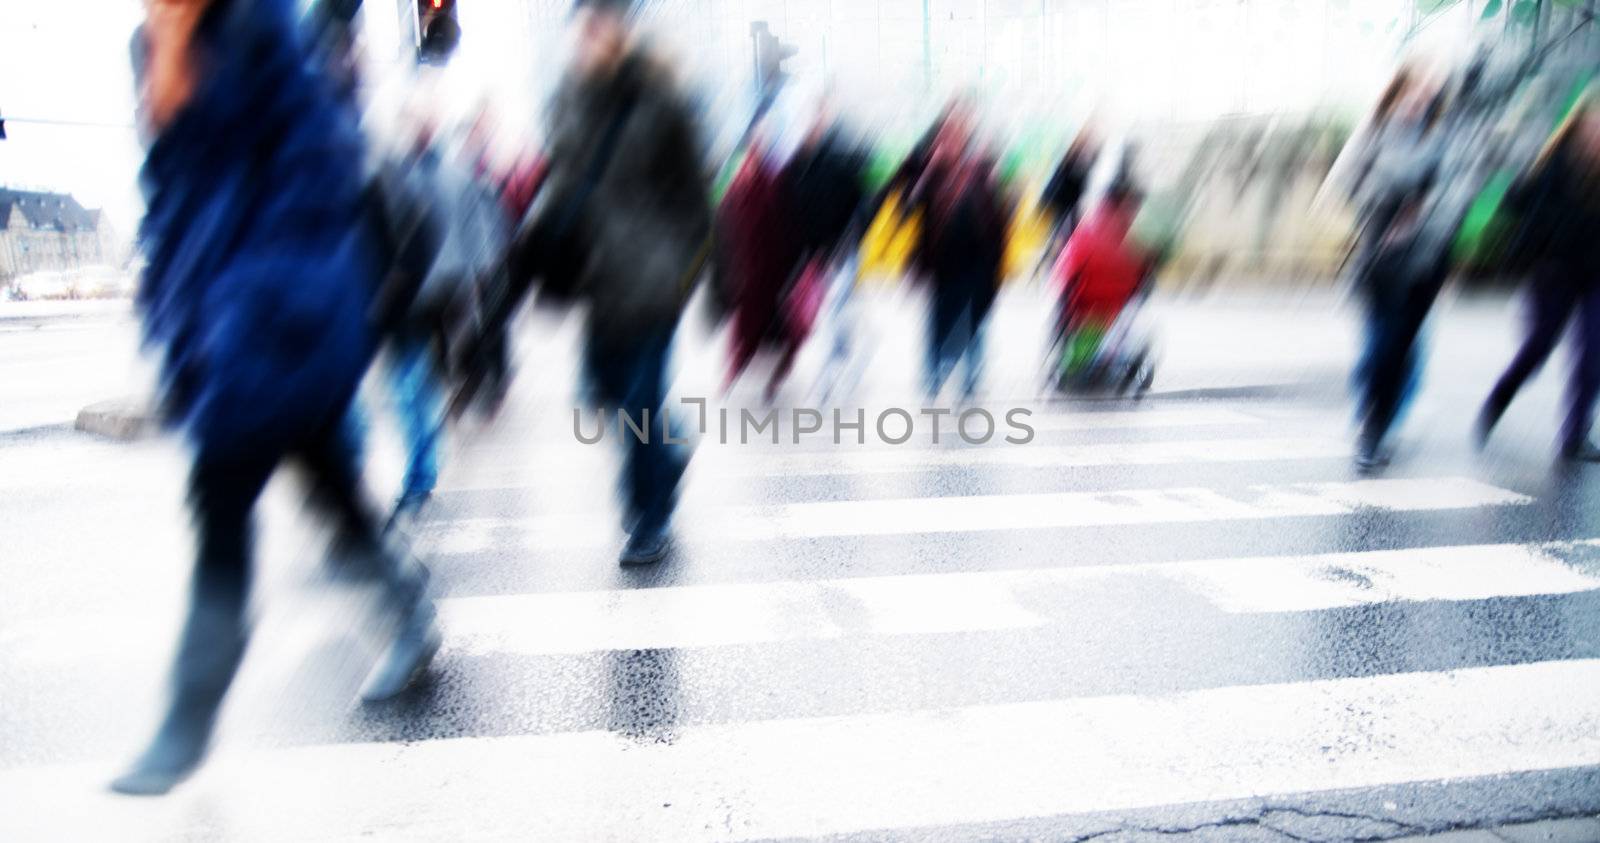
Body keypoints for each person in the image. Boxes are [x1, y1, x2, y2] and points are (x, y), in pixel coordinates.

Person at [113, 0, 438, 796]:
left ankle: (186, 720)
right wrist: (171, 310)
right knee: (333, 490)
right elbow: (167, 194)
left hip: (279, 314)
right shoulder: (152, 43)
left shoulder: (262, 27)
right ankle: (409, 614)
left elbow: (319, 166)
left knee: (221, 497)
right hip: (222, 323)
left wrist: (253, 303)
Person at [505, 0, 712, 565]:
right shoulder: (567, 100)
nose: (590, 36)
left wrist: (685, 271)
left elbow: (697, 196)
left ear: (623, 31)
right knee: (601, 392)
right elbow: (561, 186)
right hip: (598, 281)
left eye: (602, 24)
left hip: (651, 279)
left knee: (641, 402)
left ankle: (647, 519)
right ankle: (667, 453)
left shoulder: (661, 100)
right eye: (584, 26)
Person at [1477, 91, 1600, 460]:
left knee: (1593, 354)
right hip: (1555, 271)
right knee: (1538, 347)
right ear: (1577, 129)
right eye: (1592, 127)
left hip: (1596, 276)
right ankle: (1502, 393)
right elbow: (1514, 204)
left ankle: (1574, 436)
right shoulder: (1549, 166)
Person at [1338, 68, 1450, 471]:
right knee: (1378, 346)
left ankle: (1382, 423)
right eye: (1412, 89)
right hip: (1378, 257)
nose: (1419, 98)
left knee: (1402, 347)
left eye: (1428, 91)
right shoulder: (1372, 134)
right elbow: (1346, 183)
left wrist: (1420, 215)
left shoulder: (1441, 140)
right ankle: (1371, 426)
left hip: (1425, 259)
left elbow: (1452, 193)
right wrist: (1392, 196)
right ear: (1396, 92)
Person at [908, 101, 1011, 401]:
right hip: (942, 261)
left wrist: (996, 260)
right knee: (938, 320)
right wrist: (928, 170)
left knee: (974, 319)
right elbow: (909, 204)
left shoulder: (980, 168)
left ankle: (970, 379)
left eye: (958, 131)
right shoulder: (931, 170)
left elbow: (997, 213)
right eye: (947, 132)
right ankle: (934, 376)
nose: (952, 138)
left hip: (978, 260)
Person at [717, 128, 806, 400]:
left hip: (765, 272)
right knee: (752, 328)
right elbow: (726, 224)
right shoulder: (751, 183)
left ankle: (770, 376)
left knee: (768, 328)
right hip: (753, 272)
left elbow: (782, 224)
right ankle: (742, 374)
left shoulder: (763, 181)